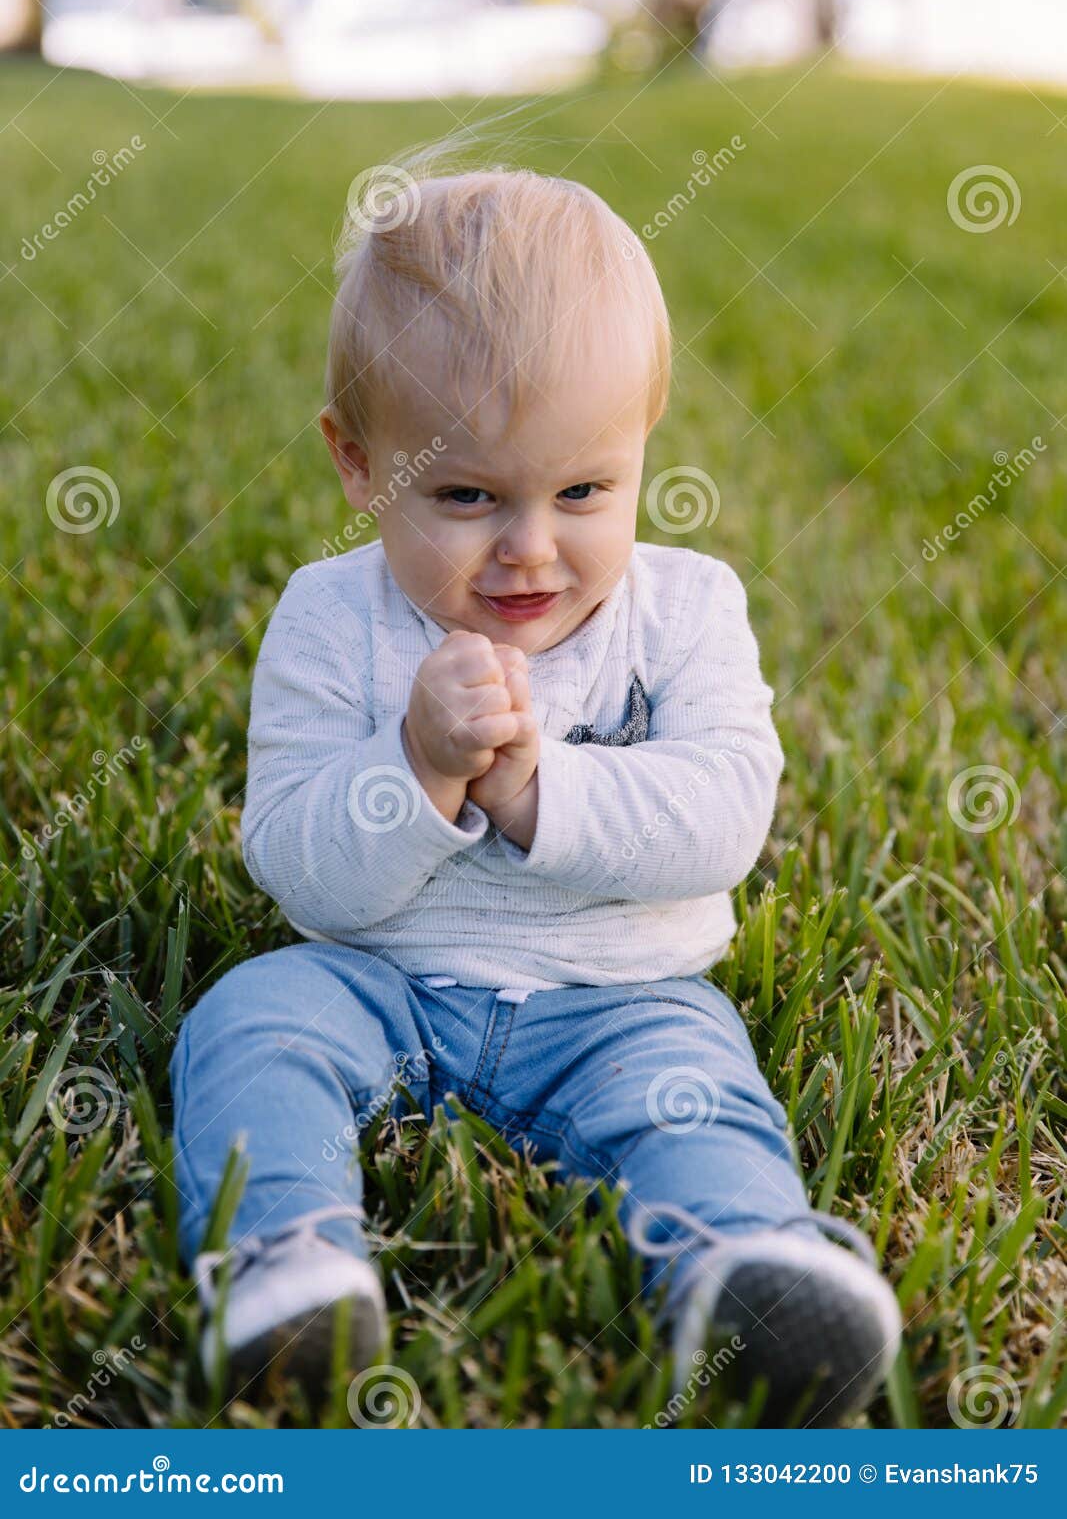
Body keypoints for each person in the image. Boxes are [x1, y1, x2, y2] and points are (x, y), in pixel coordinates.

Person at [170, 164, 901, 1425]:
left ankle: (744, 1268)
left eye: (582, 490)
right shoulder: (327, 621)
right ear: (359, 466)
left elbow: (724, 814)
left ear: (639, 454)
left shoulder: (686, 612)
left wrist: (535, 791)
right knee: (251, 1020)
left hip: (624, 997)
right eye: (464, 496)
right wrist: (417, 767)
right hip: (378, 980)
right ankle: (289, 1267)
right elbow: (290, 854)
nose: (529, 546)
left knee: (696, 1090)